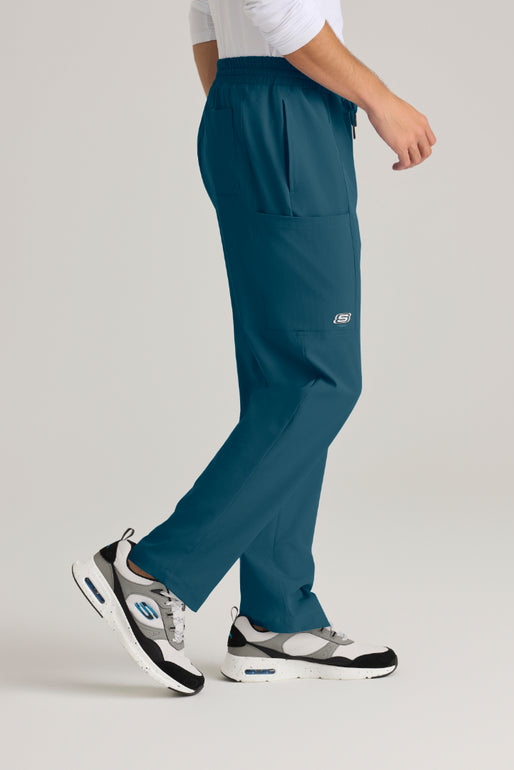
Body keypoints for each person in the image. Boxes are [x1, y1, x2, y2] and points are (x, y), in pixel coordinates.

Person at [72, 0, 436, 696]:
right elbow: (279, 10)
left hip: (256, 108)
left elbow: (206, 20)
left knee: (283, 382)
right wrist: (377, 99)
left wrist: (248, 115)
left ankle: (275, 618)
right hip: (288, 106)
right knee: (319, 379)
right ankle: (150, 573)